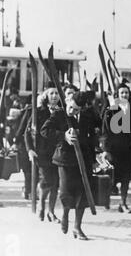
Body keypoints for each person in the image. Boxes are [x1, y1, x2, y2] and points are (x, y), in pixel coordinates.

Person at [41, 91, 99, 240]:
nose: (72, 111)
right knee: (66, 191)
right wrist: (63, 136)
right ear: (68, 101)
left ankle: (77, 227)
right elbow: (44, 130)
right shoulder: (60, 115)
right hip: (65, 159)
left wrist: (93, 159)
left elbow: (92, 138)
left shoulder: (86, 117)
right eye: (71, 107)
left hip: (83, 160)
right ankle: (66, 213)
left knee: (83, 192)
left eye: (76, 110)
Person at [25, 87, 61, 221]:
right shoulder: (38, 112)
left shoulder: (61, 112)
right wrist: (30, 149)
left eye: (57, 93)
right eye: (51, 93)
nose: (54, 96)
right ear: (46, 96)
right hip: (42, 152)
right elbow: (27, 133)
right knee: (46, 181)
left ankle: (51, 211)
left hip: (57, 152)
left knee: (56, 183)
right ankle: (41, 206)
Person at [101, 82, 131, 213]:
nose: (124, 95)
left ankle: (123, 203)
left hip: (127, 149)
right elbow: (105, 130)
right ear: (117, 94)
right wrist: (106, 149)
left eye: (126, 92)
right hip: (114, 149)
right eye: (122, 92)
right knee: (112, 178)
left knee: (126, 179)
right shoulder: (111, 109)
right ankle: (106, 200)